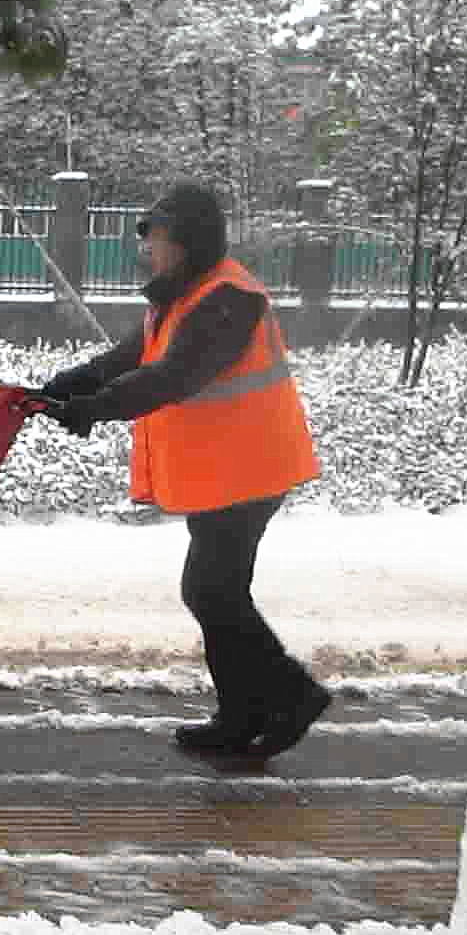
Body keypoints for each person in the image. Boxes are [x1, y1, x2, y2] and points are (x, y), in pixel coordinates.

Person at [38, 183, 331, 759]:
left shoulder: (229, 300)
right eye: (149, 240)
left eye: (161, 240)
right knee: (215, 592)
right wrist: (73, 383)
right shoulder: (184, 294)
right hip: (224, 472)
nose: (150, 250)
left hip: (251, 469)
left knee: (211, 590)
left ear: (191, 243)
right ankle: (242, 713)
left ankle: (291, 696)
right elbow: (131, 358)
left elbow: (174, 376)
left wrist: (96, 410)